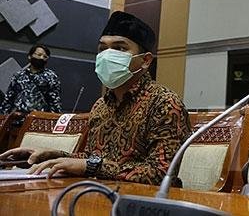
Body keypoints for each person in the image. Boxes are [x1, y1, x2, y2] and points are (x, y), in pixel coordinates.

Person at [0, 11, 192, 186]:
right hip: (97, 196)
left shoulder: (165, 103)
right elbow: (93, 158)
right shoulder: (101, 105)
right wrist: (51, 156)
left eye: (119, 48)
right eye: (102, 48)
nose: (108, 55)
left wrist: (91, 166)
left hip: (143, 203)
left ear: (145, 60)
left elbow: (161, 173)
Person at [0, 45, 62, 124]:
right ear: (30, 56)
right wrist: (2, 118)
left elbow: (54, 102)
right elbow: (9, 98)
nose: (41, 58)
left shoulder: (51, 77)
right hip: (15, 120)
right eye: (39, 55)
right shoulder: (19, 75)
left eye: (45, 57)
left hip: (37, 122)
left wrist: (55, 122)